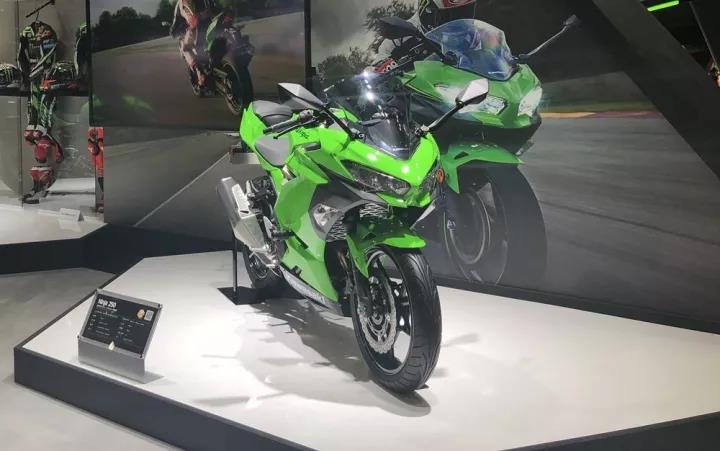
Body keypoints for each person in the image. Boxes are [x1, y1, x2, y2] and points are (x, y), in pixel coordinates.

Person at [18, 20, 64, 203]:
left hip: (46, 80)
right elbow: (20, 55)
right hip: (33, 84)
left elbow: (49, 58)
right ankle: (41, 181)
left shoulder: (47, 31)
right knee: (32, 133)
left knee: (41, 132)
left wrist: (30, 75)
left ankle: (45, 181)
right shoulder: (26, 33)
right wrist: (26, 76)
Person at [374, 0, 477, 71]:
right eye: (450, 16)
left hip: (463, 90)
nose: (459, 21)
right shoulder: (402, 35)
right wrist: (383, 69)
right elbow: (376, 67)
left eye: (465, 13)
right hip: (416, 94)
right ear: (428, 12)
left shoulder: (473, 36)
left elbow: (484, 63)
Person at [171, 0, 220, 89]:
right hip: (214, 23)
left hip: (197, 29)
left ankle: (200, 73)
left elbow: (175, 24)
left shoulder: (180, 3)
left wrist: (173, 32)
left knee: (185, 48)